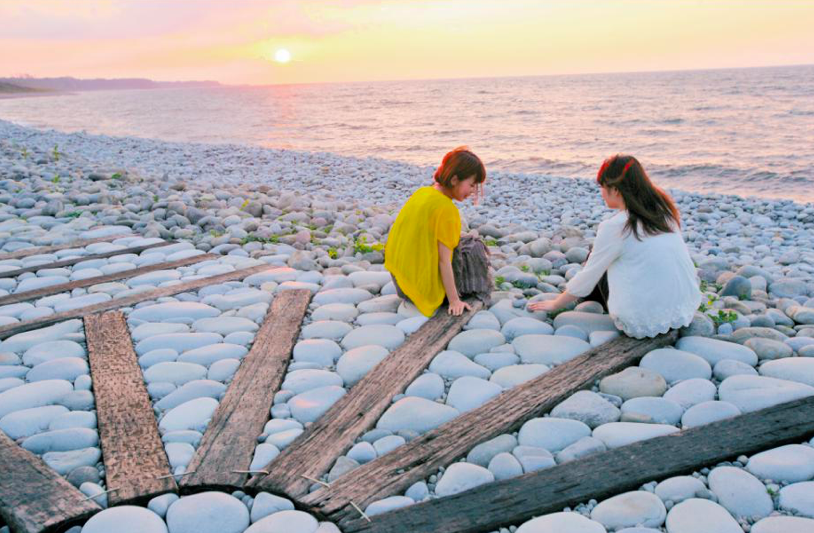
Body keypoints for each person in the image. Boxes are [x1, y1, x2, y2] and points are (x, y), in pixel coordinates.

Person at [528, 154, 701, 338]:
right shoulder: (663, 211)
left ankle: (589, 305)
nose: (601, 192)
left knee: (597, 258)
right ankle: (590, 304)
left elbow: (590, 274)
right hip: (683, 309)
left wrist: (555, 304)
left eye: (603, 187)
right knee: (614, 255)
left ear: (616, 190)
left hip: (643, 320)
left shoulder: (617, 226)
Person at [385, 146, 487, 317]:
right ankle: (463, 293)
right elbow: (443, 261)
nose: (472, 191)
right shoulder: (446, 210)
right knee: (474, 246)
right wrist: (454, 300)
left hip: (400, 282)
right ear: (455, 179)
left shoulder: (422, 193)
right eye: (471, 185)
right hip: (422, 291)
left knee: (459, 239)